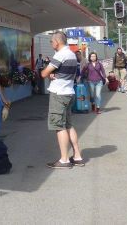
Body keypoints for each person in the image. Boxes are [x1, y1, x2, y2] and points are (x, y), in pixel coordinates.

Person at [41, 32, 84, 169]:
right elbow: (65, 73)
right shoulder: (71, 54)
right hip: (69, 92)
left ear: (57, 42)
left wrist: (49, 72)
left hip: (59, 94)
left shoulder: (60, 55)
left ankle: (64, 160)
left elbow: (43, 73)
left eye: (51, 42)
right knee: (68, 125)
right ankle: (77, 156)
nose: (51, 44)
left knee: (59, 126)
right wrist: (56, 75)